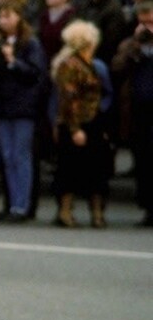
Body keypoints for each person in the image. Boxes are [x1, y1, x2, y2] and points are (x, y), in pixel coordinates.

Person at [0, 3, 48, 222]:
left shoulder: (30, 44)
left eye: (8, 16)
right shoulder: (1, 42)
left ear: (19, 18)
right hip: (3, 107)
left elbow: (35, 73)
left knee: (21, 157)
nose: (3, 21)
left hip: (23, 108)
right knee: (7, 157)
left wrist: (13, 61)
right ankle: (11, 204)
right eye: (0, 17)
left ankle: (23, 206)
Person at [50, 20, 111, 228]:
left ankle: (97, 213)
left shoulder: (92, 64)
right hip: (74, 122)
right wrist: (75, 128)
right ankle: (66, 212)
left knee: (97, 169)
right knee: (69, 169)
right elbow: (69, 98)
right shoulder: (69, 65)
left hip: (94, 120)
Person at [111, 0, 153, 227]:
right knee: (144, 160)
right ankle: (148, 208)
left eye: (150, 22)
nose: (147, 27)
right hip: (138, 112)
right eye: (142, 22)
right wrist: (135, 46)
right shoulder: (131, 44)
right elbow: (117, 68)